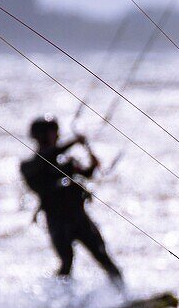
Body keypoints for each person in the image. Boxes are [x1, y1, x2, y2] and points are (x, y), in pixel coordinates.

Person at [20, 115, 124, 288]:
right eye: (52, 133)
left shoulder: (66, 162)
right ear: (40, 136)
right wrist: (74, 141)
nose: (57, 136)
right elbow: (47, 159)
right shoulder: (30, 165)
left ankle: (124, 295)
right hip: (58, 222)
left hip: (79, 218)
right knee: (67, 262)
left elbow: (87, 173)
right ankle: (60, 300)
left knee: (103, 257)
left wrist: (91, 156)